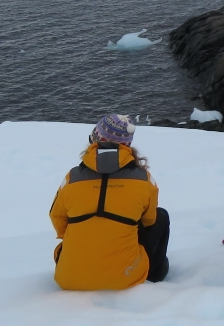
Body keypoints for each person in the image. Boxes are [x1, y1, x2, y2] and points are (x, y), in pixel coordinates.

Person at [49, 114, 168, 290]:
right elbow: (149, 220)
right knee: (161, 217)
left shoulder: (72, 178)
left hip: (69, 279)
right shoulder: (143, 179)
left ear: (94, 140)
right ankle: (154, 273)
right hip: (125, 279)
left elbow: (57, 219)